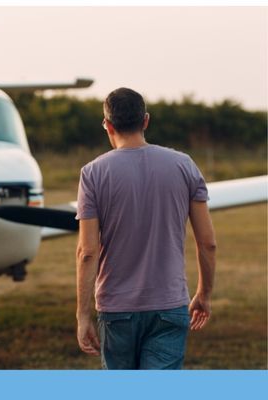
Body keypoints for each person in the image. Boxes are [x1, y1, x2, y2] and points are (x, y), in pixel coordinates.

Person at [75, 87, 217, 369]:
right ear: (146, 121)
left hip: (116, 309)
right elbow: (207, 243)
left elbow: (87, 252)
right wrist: (204, 294)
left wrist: (82, 315)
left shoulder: (92, 173)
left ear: (108, 125)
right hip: (169, 305)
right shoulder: (184, 165)